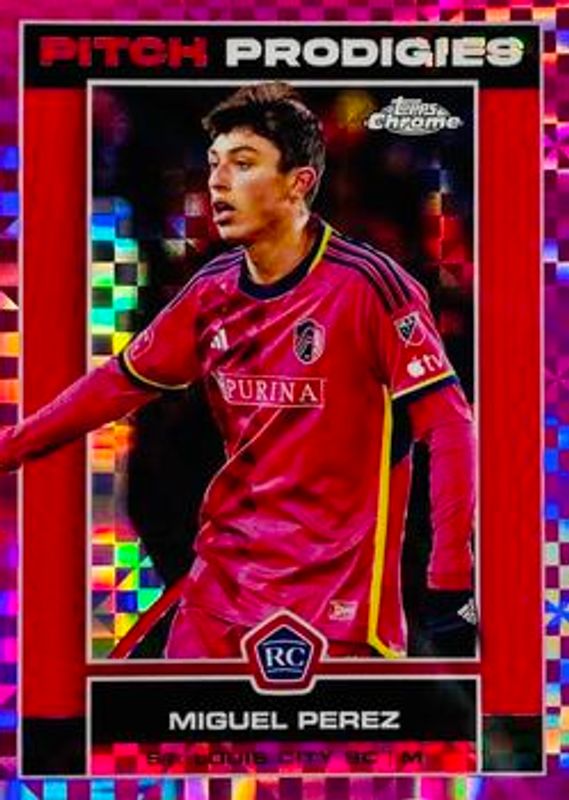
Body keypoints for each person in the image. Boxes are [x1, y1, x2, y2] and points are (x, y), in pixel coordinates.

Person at [0, 82, 475, 659]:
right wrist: (11, 446)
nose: (218, 183)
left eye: (242, 164)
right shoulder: (211, 290)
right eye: (214, 164)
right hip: (221, 591)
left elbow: (449, 425)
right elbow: (116, 384)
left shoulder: (372, 287)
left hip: (332, 606)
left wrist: (451, 577)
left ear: (299, 183)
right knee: (126, 704)